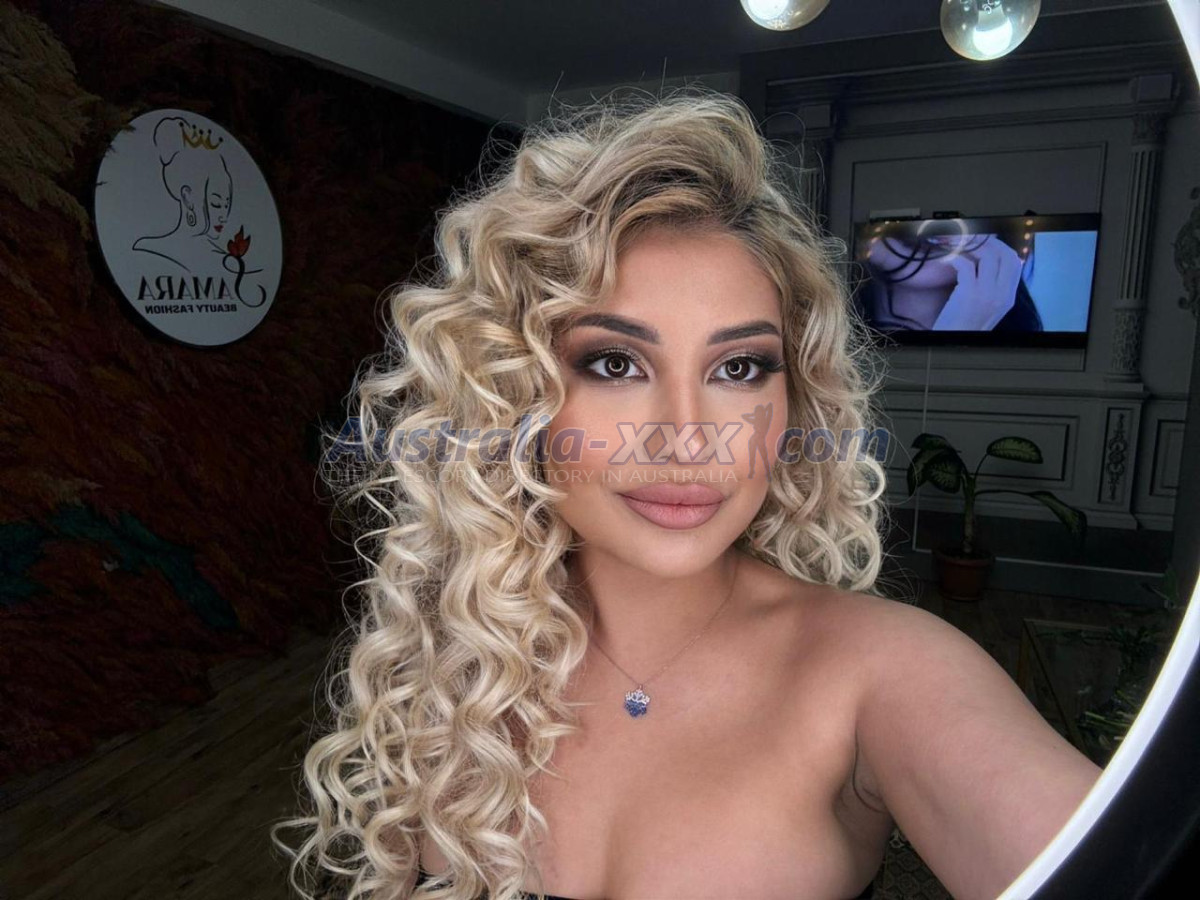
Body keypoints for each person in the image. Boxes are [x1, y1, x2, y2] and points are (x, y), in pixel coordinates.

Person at [270, 88, 1102, 900]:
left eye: (739, 367)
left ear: (794, 398)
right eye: (615, 363)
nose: (688, 437)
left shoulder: (887, 675)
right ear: (512, 396)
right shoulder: (459, 658)